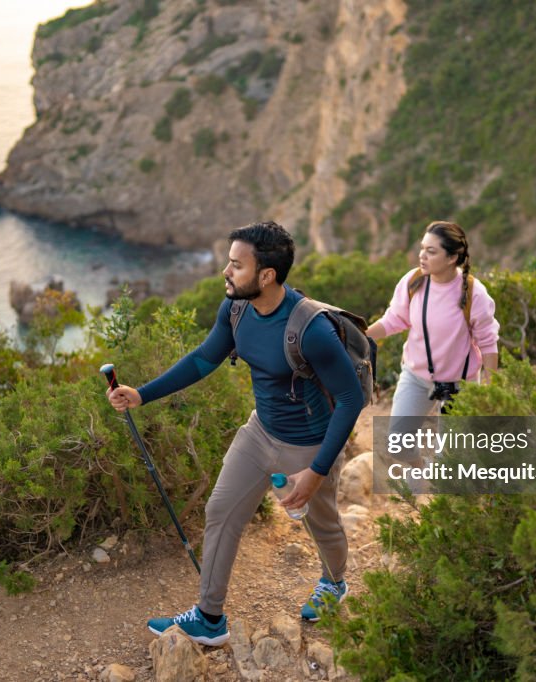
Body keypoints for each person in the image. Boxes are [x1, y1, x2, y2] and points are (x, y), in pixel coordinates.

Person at [107, 221, 363, 646]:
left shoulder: (311, 329)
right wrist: (142, 394)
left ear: (266, 276)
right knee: (220, 512)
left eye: (235, 265)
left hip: (310, 443)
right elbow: (205, 359)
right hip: (259, 432)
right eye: (228, 262)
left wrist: (317, 471)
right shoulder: (236, 308)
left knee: (323, 525)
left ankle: (334, 583)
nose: (226, 272)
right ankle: (210, 619)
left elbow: (350, 400)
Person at [367, 220, 500, 420]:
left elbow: (488, 344)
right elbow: (394, 319)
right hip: (416, 378)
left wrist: (491, 393)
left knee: (450, 451)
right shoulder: (413, 281)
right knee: (399, 445)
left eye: (431, 251)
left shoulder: (475, 293)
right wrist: (359, 335)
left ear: (452, 257)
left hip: (460, 385)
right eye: (422, 249)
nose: (422, 256)